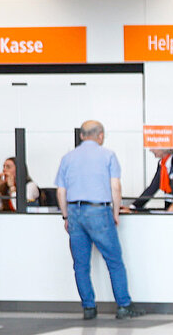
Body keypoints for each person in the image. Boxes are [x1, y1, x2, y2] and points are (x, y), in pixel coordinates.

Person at [55, 120, 143, 321]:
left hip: (74, 212)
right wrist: (115, 213)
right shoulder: (108, 155)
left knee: (80, 265)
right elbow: (116, 187)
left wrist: (66, 216)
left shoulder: (68, 158)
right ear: (101, 135)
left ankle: (88, 308)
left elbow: (61, 191)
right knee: (114, 261)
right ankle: (123, 306)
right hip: (98, 211)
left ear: (81, 136)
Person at [126, 142, 173, 212]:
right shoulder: (162, 164)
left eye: (153, 147)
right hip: (169, 206)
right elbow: (152, 187)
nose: (150, 150)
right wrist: (133, 207)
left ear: (164, 148)